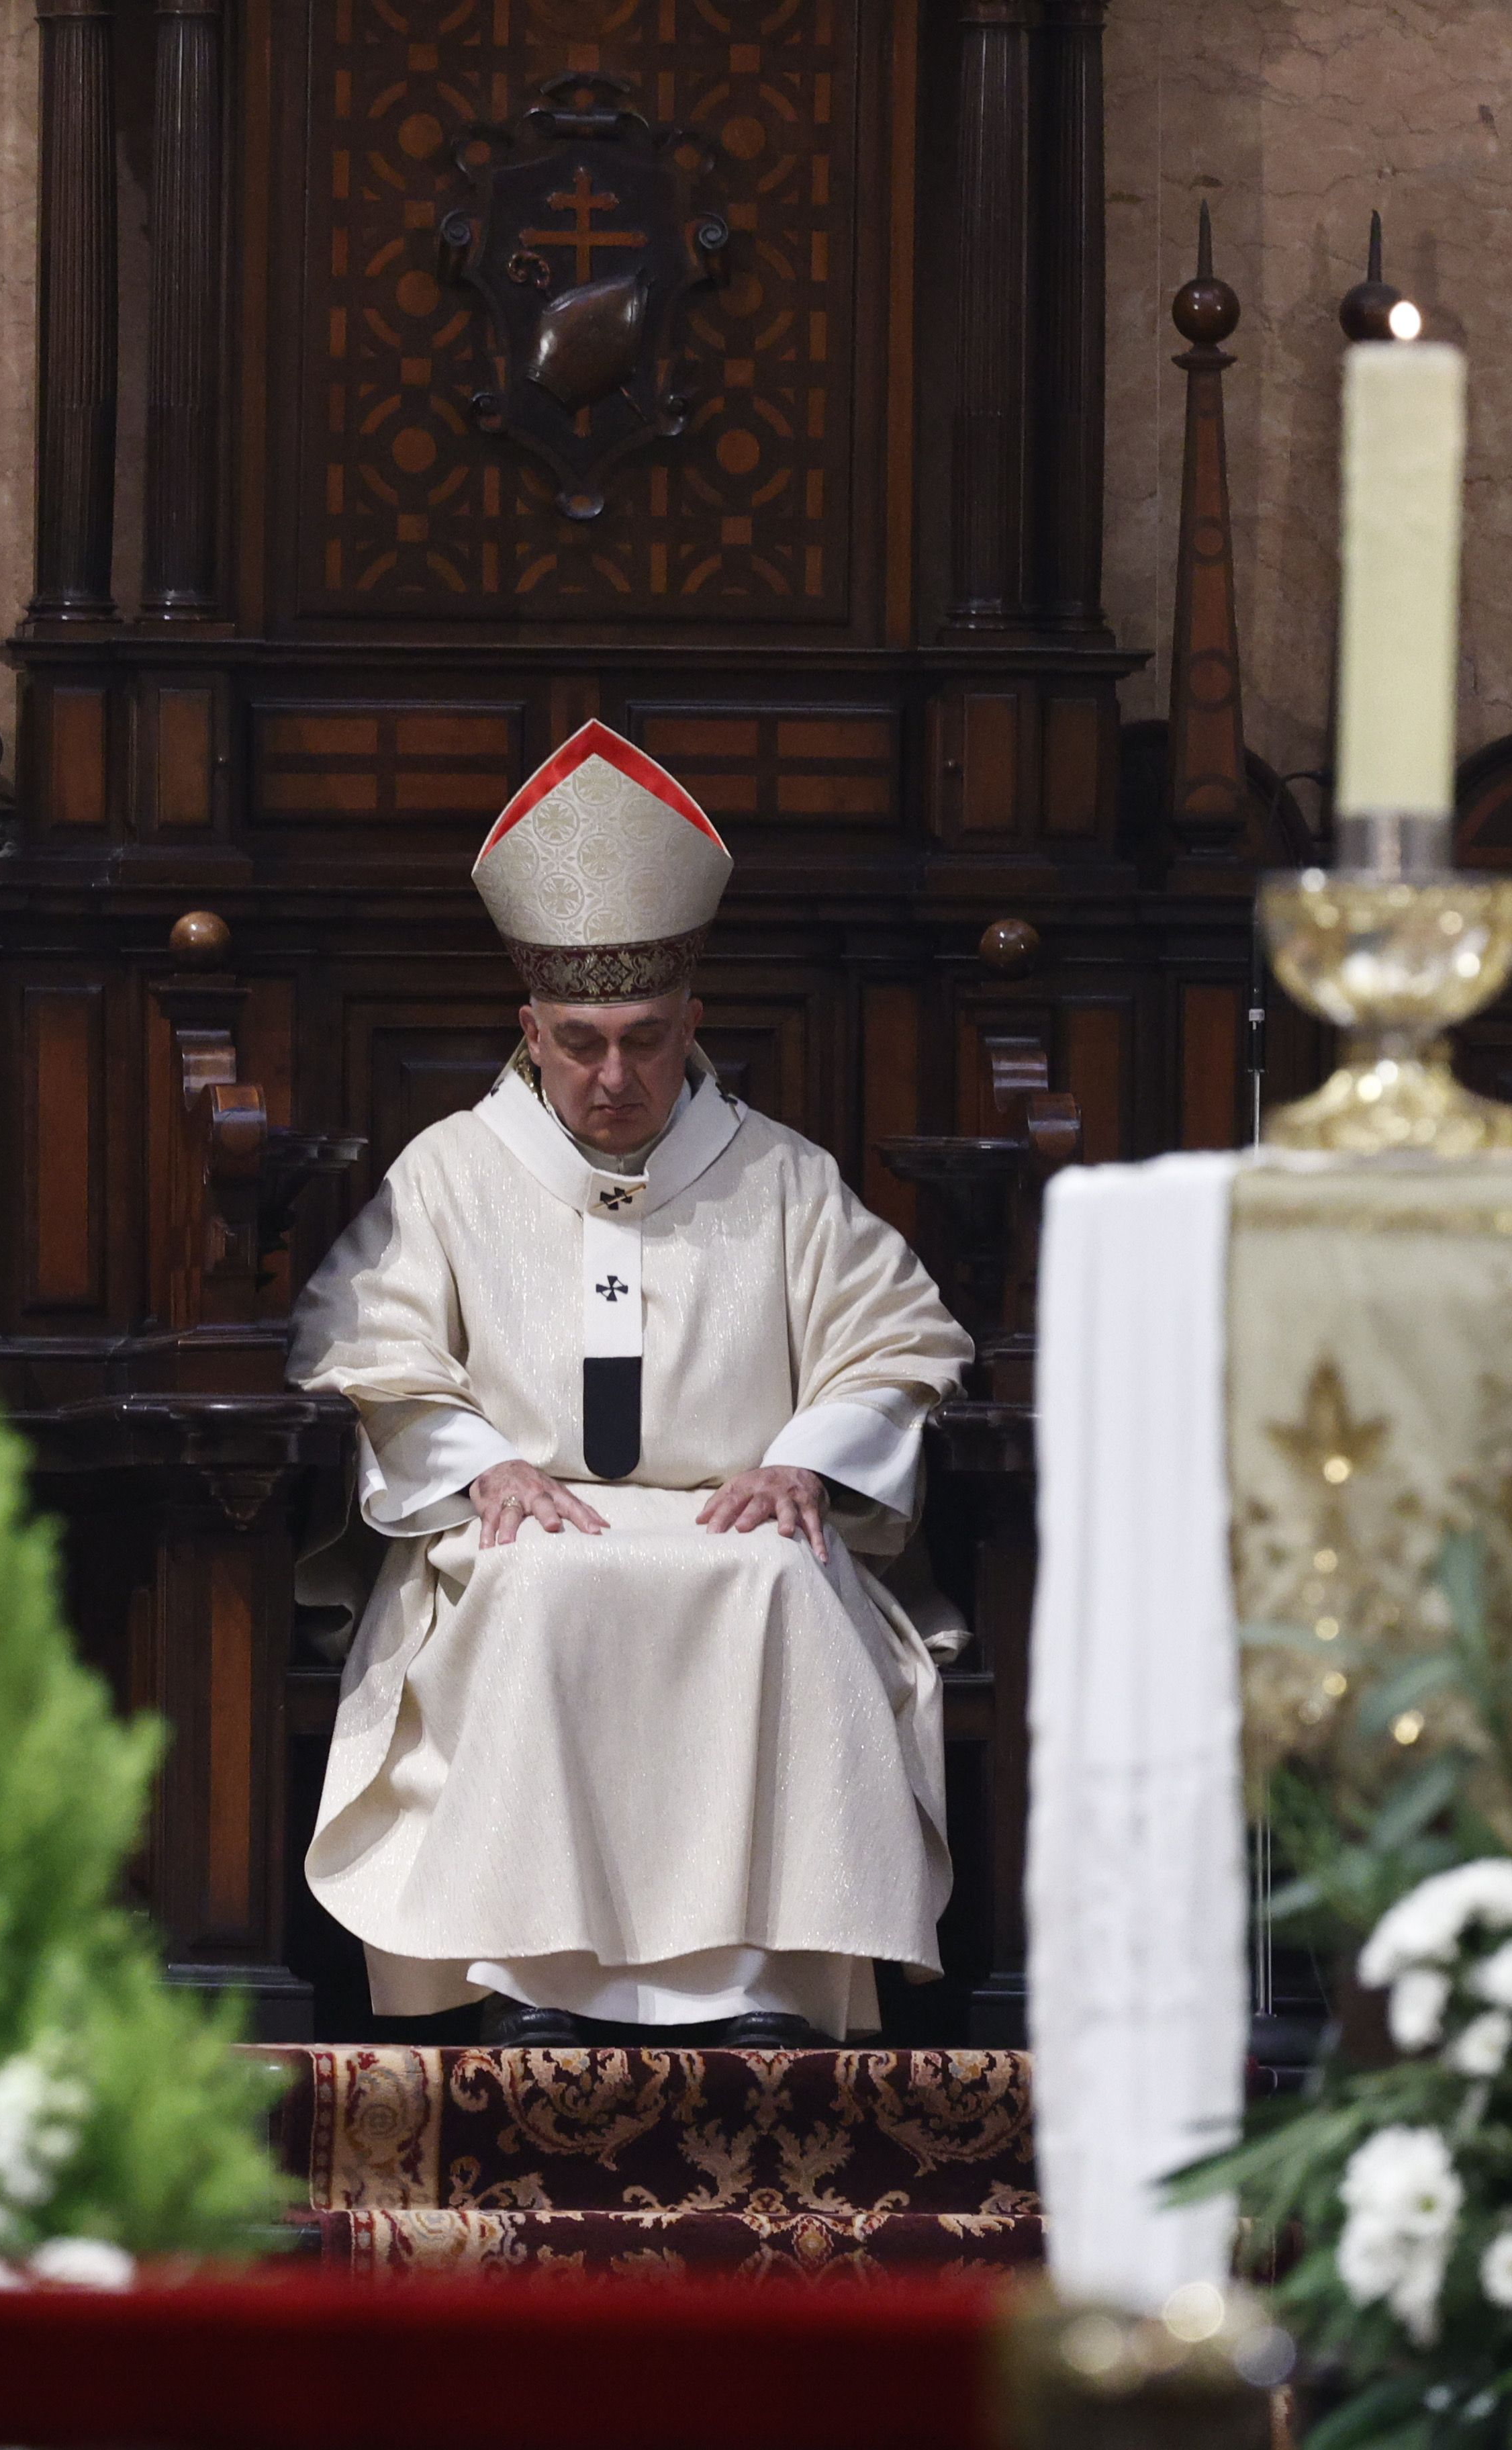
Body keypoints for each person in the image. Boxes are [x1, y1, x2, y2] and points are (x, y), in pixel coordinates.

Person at [287, 721, 975, 2046]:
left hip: (740, 1517)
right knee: (538, 1584)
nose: (615, 1077)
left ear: (692, 1022)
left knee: (781, 1578)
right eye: (582, 1041)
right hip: (517, 1524)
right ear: (530, 1029)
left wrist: (808, 1459)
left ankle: (766, 1985)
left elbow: (902, 1338)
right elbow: (363, 1340)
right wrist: (475, 1460)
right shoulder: (451, 1170)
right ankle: (529, 1984)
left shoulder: (779, 1174)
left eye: (646, 1041)